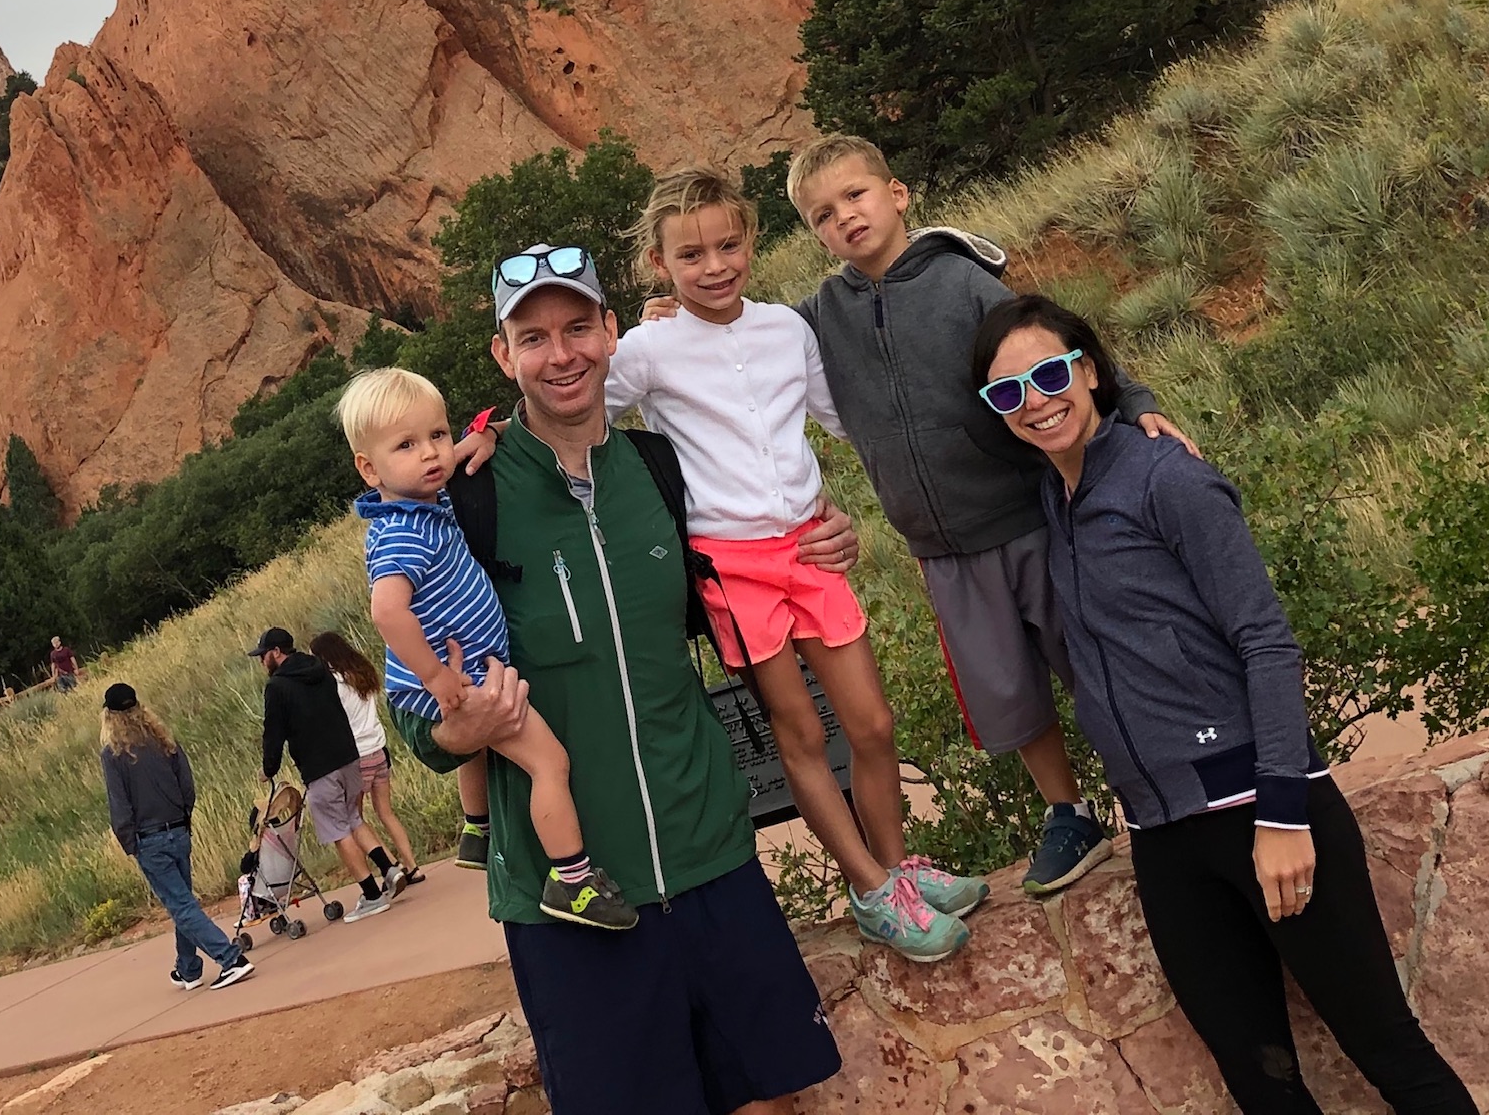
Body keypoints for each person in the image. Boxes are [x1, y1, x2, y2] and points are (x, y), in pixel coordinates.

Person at [972, 294, 1474, 1115]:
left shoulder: (1168, 479)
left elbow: (1266, 642)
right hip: (1163, 838)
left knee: (1387, 1049)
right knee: (1260, 1082)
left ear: (1090, 372)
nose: (1034, 400)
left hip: (1262, 807)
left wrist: (1281, 814)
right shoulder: (1051, 506)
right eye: (1006, 392)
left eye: (1050, 373)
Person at [394, 241, 845, 1115]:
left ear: (610, 332)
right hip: (570, 901)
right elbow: (421, 717)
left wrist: (834, 536)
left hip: (709, 853)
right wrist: (462, 731)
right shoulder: (463, 503)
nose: (559, 355)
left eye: (575, 329)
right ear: (502, 355)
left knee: (774, 1098)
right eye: (533, 338)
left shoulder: (663, 469)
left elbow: (775, 530)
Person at [780, 132, 1185, 895]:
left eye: (856, 196)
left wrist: (1133, 402)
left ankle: (1156, 786)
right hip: (942, 548)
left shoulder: (962, 283)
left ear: (896, 194)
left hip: (1030, 517)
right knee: (1007, 692)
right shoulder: (818, 316)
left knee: (1093, 659)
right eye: (822, 215)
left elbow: (1051, 343)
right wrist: (675, 323)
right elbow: (749, 349)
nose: (845, 218)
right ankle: (1068, 813)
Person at [605, 164, 983, 960]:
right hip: (730, 566)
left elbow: (845, 421)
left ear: (750, 239)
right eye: (691, 255)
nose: (714, 267)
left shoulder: (787, 329)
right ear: (659, 264)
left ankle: (897, 869)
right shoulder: (645, 350)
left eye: (728, 245)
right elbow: (576, 409)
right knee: (802, 733)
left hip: (811, 544)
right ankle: (871, 891)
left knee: (872, 724)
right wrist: (484, 437)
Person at [342, 366, 637, 932]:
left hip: (465, 670)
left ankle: (476, 827)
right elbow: (386, 611)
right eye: (406, 445)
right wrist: (434, 676)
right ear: (368, 466)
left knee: (479, 752)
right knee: (549, 762)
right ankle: (571, 881)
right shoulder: (404, 530)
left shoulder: (422, 504)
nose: (431, 454)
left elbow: (470, 447)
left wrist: (486, 433)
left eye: (437, 435)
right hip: (458, 678)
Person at [99, 681, 253, 991]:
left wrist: (130, 842)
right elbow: (187, 787)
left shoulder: (114, 754)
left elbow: (120, 804)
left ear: (109, 715)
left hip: (149, 836)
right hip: (178, 829)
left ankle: (230, 958)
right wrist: (183, 817)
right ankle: (188, 968)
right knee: (181, 900)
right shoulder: (163, 739)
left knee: (181, 905)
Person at [249, 627, 393, 922]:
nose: (262, 661)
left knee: (339, 830)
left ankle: (372, 895)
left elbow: (273, 732)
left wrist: (269, 768)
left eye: (263, 655)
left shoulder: (277, 687)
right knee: (353, 818)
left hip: (319, 767)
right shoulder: (321, 669)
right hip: (349, 756)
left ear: (276, 652)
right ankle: (388, 868)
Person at [308, 628, 420, 889]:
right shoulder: (362, 673)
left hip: (356, 754)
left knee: (355, 819)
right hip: (378, 747)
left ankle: (391, 867)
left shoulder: (334, 683)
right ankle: (412, 865)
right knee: (386, 812)